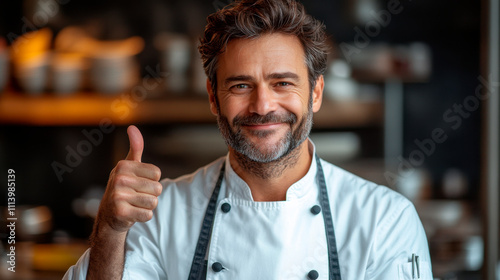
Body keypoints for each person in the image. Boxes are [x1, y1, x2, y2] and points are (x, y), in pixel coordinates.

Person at [64, 0, 433, 279]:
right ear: (213, 97)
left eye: (282, 83)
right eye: (241, 85)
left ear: (316, 93)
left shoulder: (385, 220)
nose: (262, 106)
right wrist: (111, 230)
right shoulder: (161, 216)